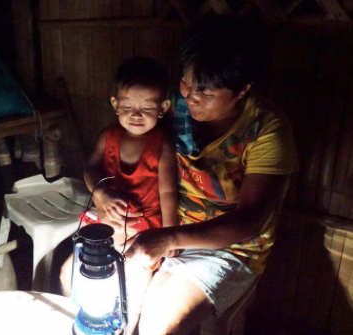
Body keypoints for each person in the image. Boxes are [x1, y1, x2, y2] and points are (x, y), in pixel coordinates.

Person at [125, 19, 299, 335]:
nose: (190, 97)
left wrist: (168, 238)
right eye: (186, 83)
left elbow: (249, 220)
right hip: (168, 224)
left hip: (231, 248)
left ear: (242, 89)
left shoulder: (267, 131)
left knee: (159, 325)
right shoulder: (175, 107)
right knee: (92, 281)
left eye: (204, 91)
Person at [59, 57, 178, 334]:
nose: (136, 115)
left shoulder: (162, 144)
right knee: (69, 274)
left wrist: (171, 234)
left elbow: (169, 191)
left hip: (143, 232)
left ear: (162, 108)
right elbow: (89, 168)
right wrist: (101, 192)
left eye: (147, 108)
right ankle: (80, 321)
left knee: (132, 292)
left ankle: (124, 329)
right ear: (115, 105)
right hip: (103, 229)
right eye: (127, 107)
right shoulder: (108, 137)